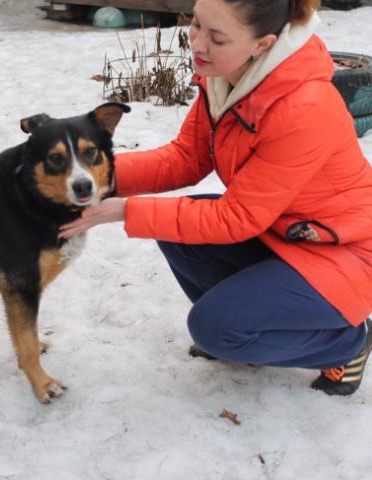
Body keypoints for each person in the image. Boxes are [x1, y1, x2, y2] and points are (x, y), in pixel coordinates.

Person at [60, 0, 372, 396]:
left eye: (217, 38)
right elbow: (186, 157)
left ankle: (346, 344)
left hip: (342, 254)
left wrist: (124, 210)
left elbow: (238, 218)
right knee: (178, 230)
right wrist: (95, 178)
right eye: (197, 25)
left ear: (263, 44)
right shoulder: (229, 78)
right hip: (283, 234)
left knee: (211, 327)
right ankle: (247, 330)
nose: (198, 44)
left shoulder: (304, 108)